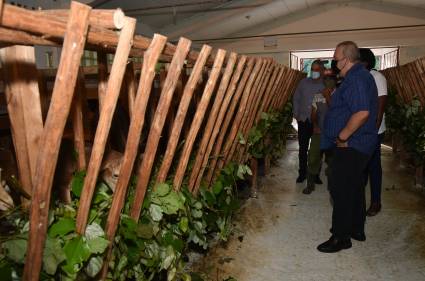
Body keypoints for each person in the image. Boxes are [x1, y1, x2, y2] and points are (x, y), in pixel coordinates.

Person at [317, 41, 378, 253]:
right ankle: (356, 228)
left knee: (340, 188)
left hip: (353, 144)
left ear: (347, 58)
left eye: (336, 58)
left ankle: (340, 237)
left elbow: (362, 112)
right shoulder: (356, 77)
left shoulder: (357, 79)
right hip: (358, 143)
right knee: (354, 186)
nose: (334, 62)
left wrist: (343, 136)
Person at [359, 48, 387, 216]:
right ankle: (358, 200)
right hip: (362, 129)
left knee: (373, 166)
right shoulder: (362, 77)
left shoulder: (378, 78)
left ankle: (376, 202)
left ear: (366, 62)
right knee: (362, 166)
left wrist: (372, 132)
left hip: (374, 131)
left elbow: (380, 108)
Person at [293, 60, 326, 183]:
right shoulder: (303, 82)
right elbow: (296, 98)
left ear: (322, 71)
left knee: (317, 150)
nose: (314, 72)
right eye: (312, 69)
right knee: (303, 148)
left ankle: (315, 174)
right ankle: (302, 173)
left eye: (317, 70)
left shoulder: (325, 85)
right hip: (304, 120)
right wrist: (296, 114)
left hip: (319, 122)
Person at [303, 66, 333, 194]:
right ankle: (310, 184)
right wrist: (315, 125)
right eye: (326, 78)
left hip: (334, 133)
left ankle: (333, 186)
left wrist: (328, 98)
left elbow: (336, 112)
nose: (328, 80)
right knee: (313, 156)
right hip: (319, 131)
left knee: (333, 160)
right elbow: (314, 113)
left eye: (331, 78)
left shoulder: (339, 94)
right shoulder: (318, 95)